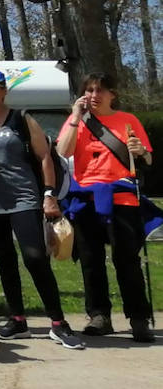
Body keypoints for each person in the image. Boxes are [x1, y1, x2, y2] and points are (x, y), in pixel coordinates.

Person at [0, 67, 83, 348]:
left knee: (35, 258)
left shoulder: (22, 119)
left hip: (24, 199)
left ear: (3, 90)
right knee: (5, 262)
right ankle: (17, 320)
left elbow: (44, 158)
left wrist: (49, 195)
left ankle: (58, 322)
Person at [57, 71, 155, 342]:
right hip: (86, 199)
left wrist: (141, 152)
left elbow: (147, 158)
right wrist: (76, 117)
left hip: (122, 198)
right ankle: (99, 316)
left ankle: (138, 318)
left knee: (127, 261)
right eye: (88, 90)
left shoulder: (128, 121)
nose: (93, 95)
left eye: (100, 90)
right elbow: (63, 152)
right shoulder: (76, 121)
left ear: (113, 94)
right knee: (91, 261)